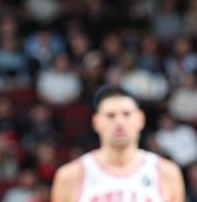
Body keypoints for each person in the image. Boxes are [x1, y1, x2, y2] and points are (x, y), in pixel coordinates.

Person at [50, 85, 184, 202]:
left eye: (126, 114)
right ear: (96, 122)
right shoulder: (70, 176)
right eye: (110, 115)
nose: (119, 122)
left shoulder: (166, 172)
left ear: (141, 119)